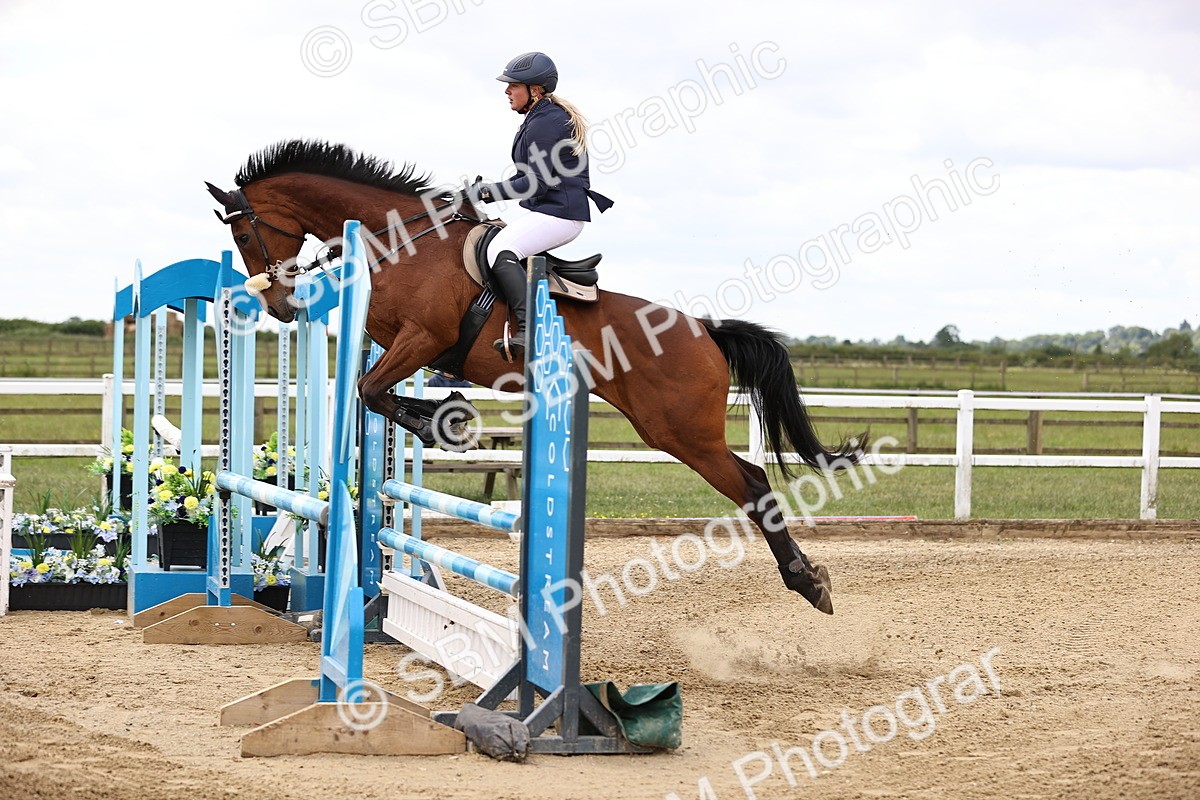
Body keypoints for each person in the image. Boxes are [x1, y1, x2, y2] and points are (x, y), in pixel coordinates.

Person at [470, 51, 612, 359]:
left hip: (561, 215)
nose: (507, 91)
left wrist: (485, 193)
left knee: (499, 250)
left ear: (535, 90)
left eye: (513, 85)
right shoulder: (540, 117)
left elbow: (534, 183)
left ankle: (528, 329)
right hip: (552, 211)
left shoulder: (546, 123)